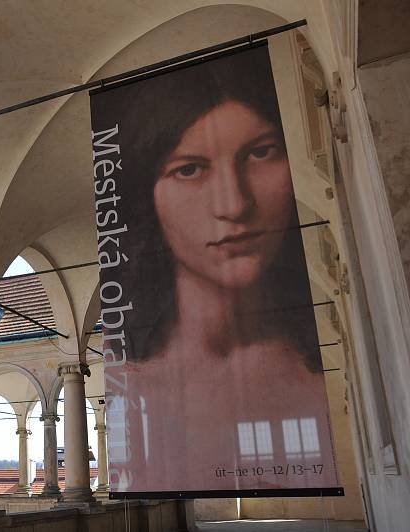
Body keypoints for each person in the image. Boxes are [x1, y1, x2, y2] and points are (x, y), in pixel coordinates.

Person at [97, 46, 338, 494]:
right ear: (148, 195)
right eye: (189, 169)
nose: (234, 205)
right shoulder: (132, 383)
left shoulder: (321, 371)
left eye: (261, 152)